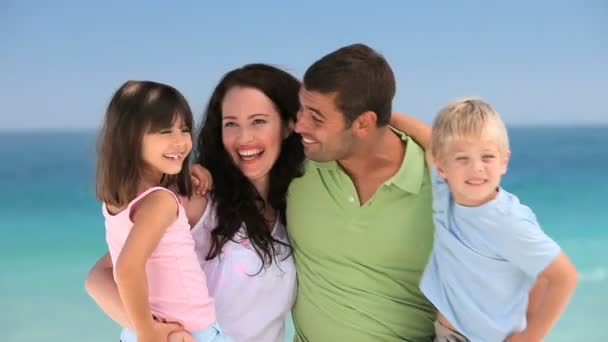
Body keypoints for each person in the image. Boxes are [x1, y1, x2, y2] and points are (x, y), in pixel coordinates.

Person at [86, 64, 305, 342]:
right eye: (231, 124)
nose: (244, 137)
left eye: (258, 121)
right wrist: (156, 333)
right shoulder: (194, 198)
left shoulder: (298, 205)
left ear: (288, 125)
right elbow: (100, 277)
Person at [286, 43, 436, 341]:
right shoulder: (297, 166)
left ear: (364, 123)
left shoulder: (442, 182)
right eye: (301, 109)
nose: (299, 125)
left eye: (316, 118)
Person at [401, 98, 578, 341]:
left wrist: (529, 337)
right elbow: (428, 138)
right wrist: (381, 115)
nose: (476, 168)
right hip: (445, 333)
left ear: (504, 161)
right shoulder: (445, 193)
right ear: (442, 166)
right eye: (462, 159)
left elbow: (564, 276)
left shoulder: (508, 222)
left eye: (487, 157)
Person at [93, 80, 228, 342]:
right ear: (130, 139)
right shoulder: (160, 202)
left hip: (141, 328)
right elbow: (127, 269)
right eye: (166, 131)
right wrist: (148, 333)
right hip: (188, 334)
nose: (180, 141)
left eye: (185, 129)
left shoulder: (119, 203)